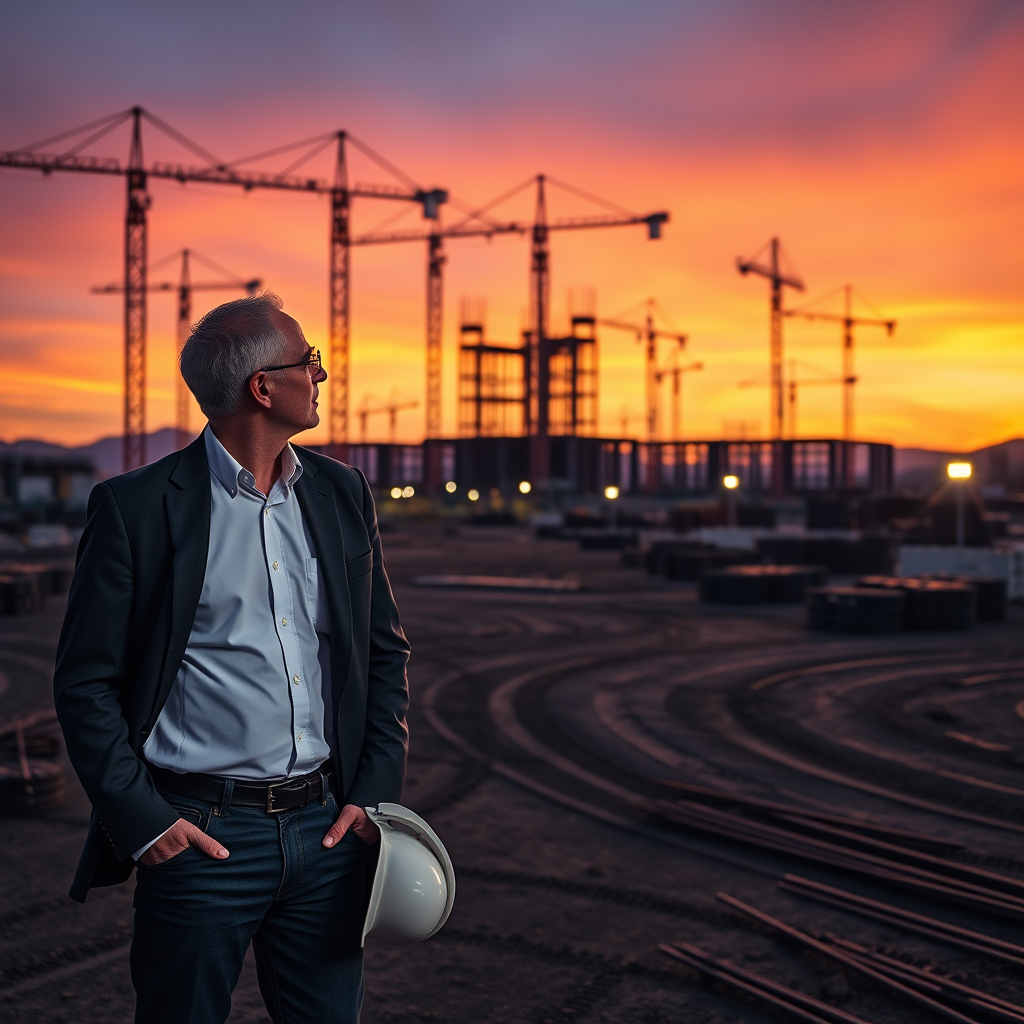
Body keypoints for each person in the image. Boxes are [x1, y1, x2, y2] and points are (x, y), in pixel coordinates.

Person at [54, 292, 410, 1023]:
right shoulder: (136, 508)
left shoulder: (342, 492)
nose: (320, 375)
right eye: (308, 361)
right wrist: (146, 822)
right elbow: (85, 683)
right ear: (263, 387)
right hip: (200, 840)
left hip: (328, 831)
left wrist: (370, 796)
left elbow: (382, 653)